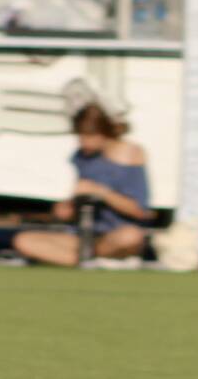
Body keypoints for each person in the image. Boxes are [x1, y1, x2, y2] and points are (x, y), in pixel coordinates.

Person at [10, 103, 151, 266]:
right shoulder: (81, 157)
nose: (83, 143)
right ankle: (92, 261)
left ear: (103, 134)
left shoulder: (130, 154)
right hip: (83, 236)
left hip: (114, 236)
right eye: (80, 137)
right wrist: (68, 208)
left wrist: (102, 193)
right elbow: (77, 202)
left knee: (131, 236)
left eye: (88, 137)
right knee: (23, 241)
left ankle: (90, 259)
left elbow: (140, 211)